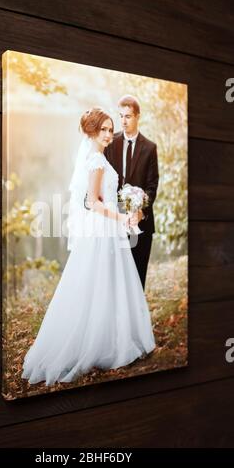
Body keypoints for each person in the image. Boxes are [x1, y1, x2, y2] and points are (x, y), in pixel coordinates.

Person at [22, 107, 155, 386]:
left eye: (110, 129)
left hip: (107, 228)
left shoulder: (99, 158)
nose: (108, 134)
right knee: (97, 281)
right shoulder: (95, 161)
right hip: (102, 231)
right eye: (103, 129)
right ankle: (97, 342)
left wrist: (129, 204)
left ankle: (108, 336)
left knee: (106, 282)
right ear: (90, 132)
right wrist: (121, 216)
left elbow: (99, 199)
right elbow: (92, 202)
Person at [105, 95, 159, 289]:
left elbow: (152, 185)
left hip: (141, 223)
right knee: (115, 277)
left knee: (137, 277)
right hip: (114, 221)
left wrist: (140, 211)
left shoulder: (150, 148)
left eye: (128, 116)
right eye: (121, 116)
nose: (124, 121)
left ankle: (137, 318)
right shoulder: (110, 143)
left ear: (137, 116)